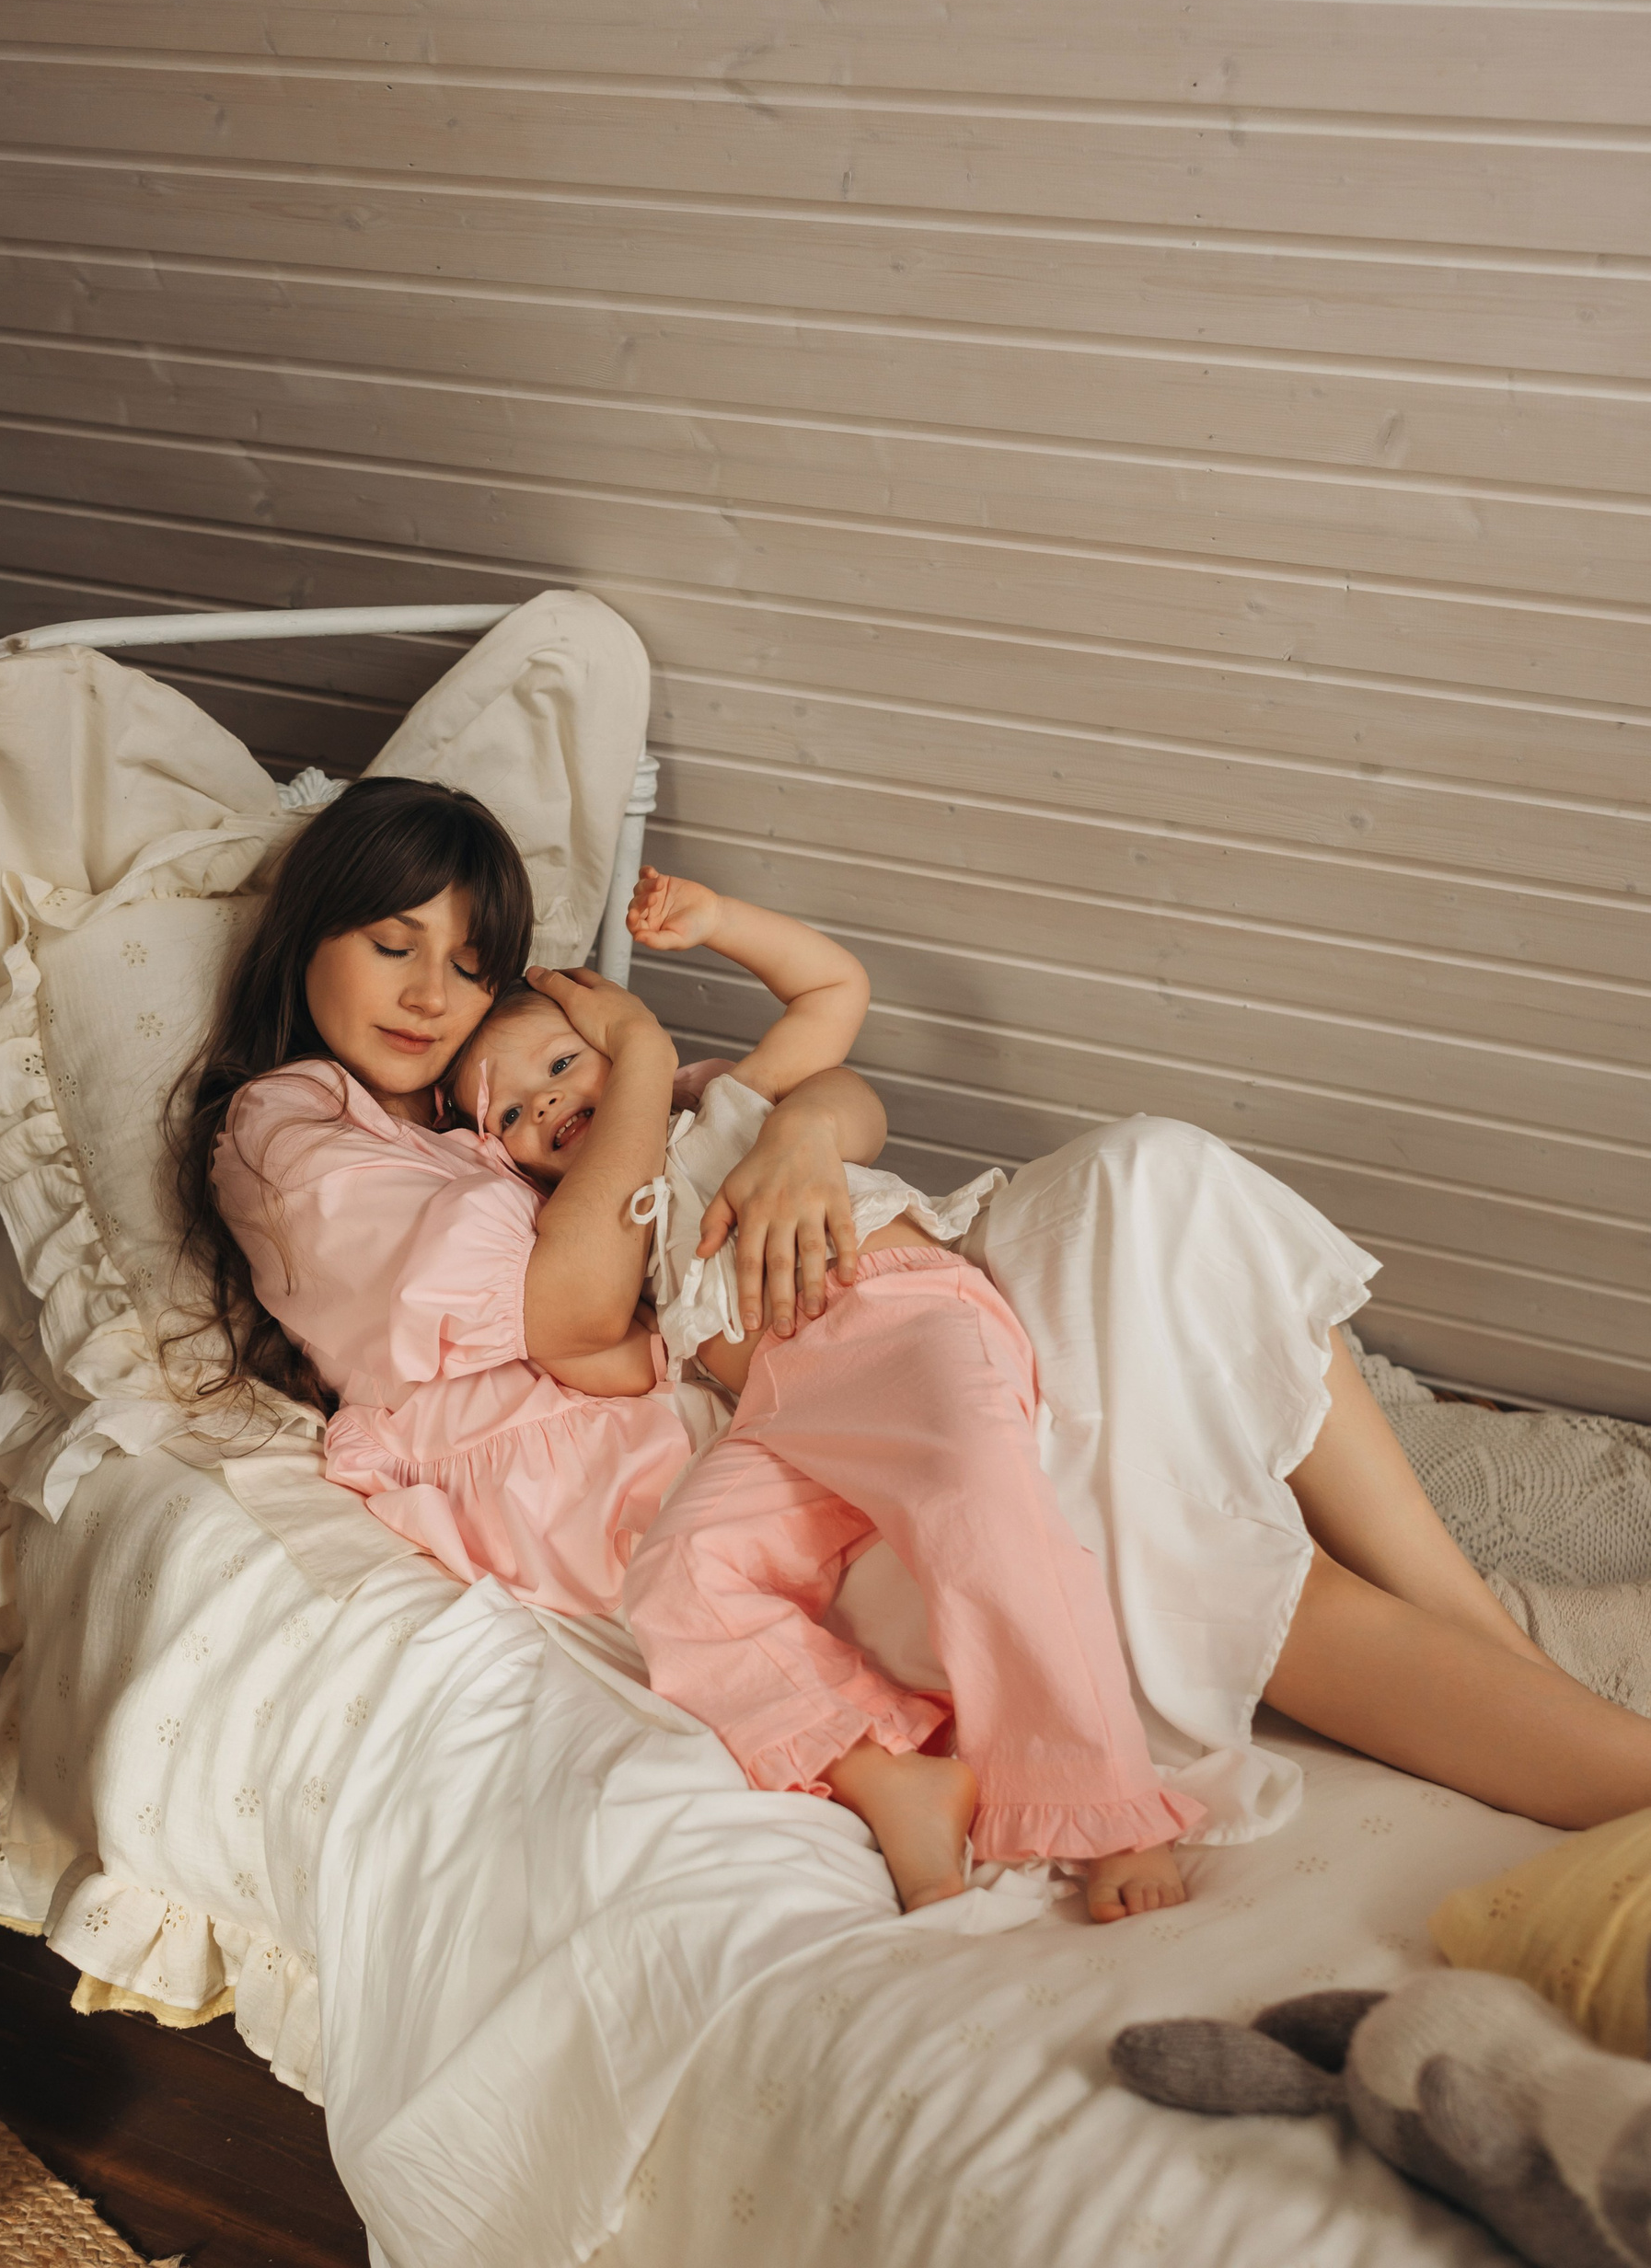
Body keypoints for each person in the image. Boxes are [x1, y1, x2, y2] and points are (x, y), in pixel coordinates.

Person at [185, 777, 1651, 1917]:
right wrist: (634, 1064)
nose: (430, 996)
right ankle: (1598, 1768)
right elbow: (583, 1318)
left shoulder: (536, 1089)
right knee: (1163, 1528)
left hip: (879, 1311)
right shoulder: (300, 1131)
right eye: (392, 947)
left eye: (466, 962)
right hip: (791, 1433)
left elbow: (828, 1085)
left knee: (1157, 1184)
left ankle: (1474, 1629)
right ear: (311, 935)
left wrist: (801, 1143)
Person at [439, 872, 1204, 1914]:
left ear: (622, 1048)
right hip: (782, 1415)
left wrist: (719, 923)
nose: (548, 1104)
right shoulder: (608, 1230)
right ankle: (888, 1768)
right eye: (514, 1114)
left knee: (983, 1504)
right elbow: (591, 1344)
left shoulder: (723, 1108)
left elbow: (835, 990)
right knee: (677, 1578)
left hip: (895, 1322)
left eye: (564, 1064)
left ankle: (1107, 1808)